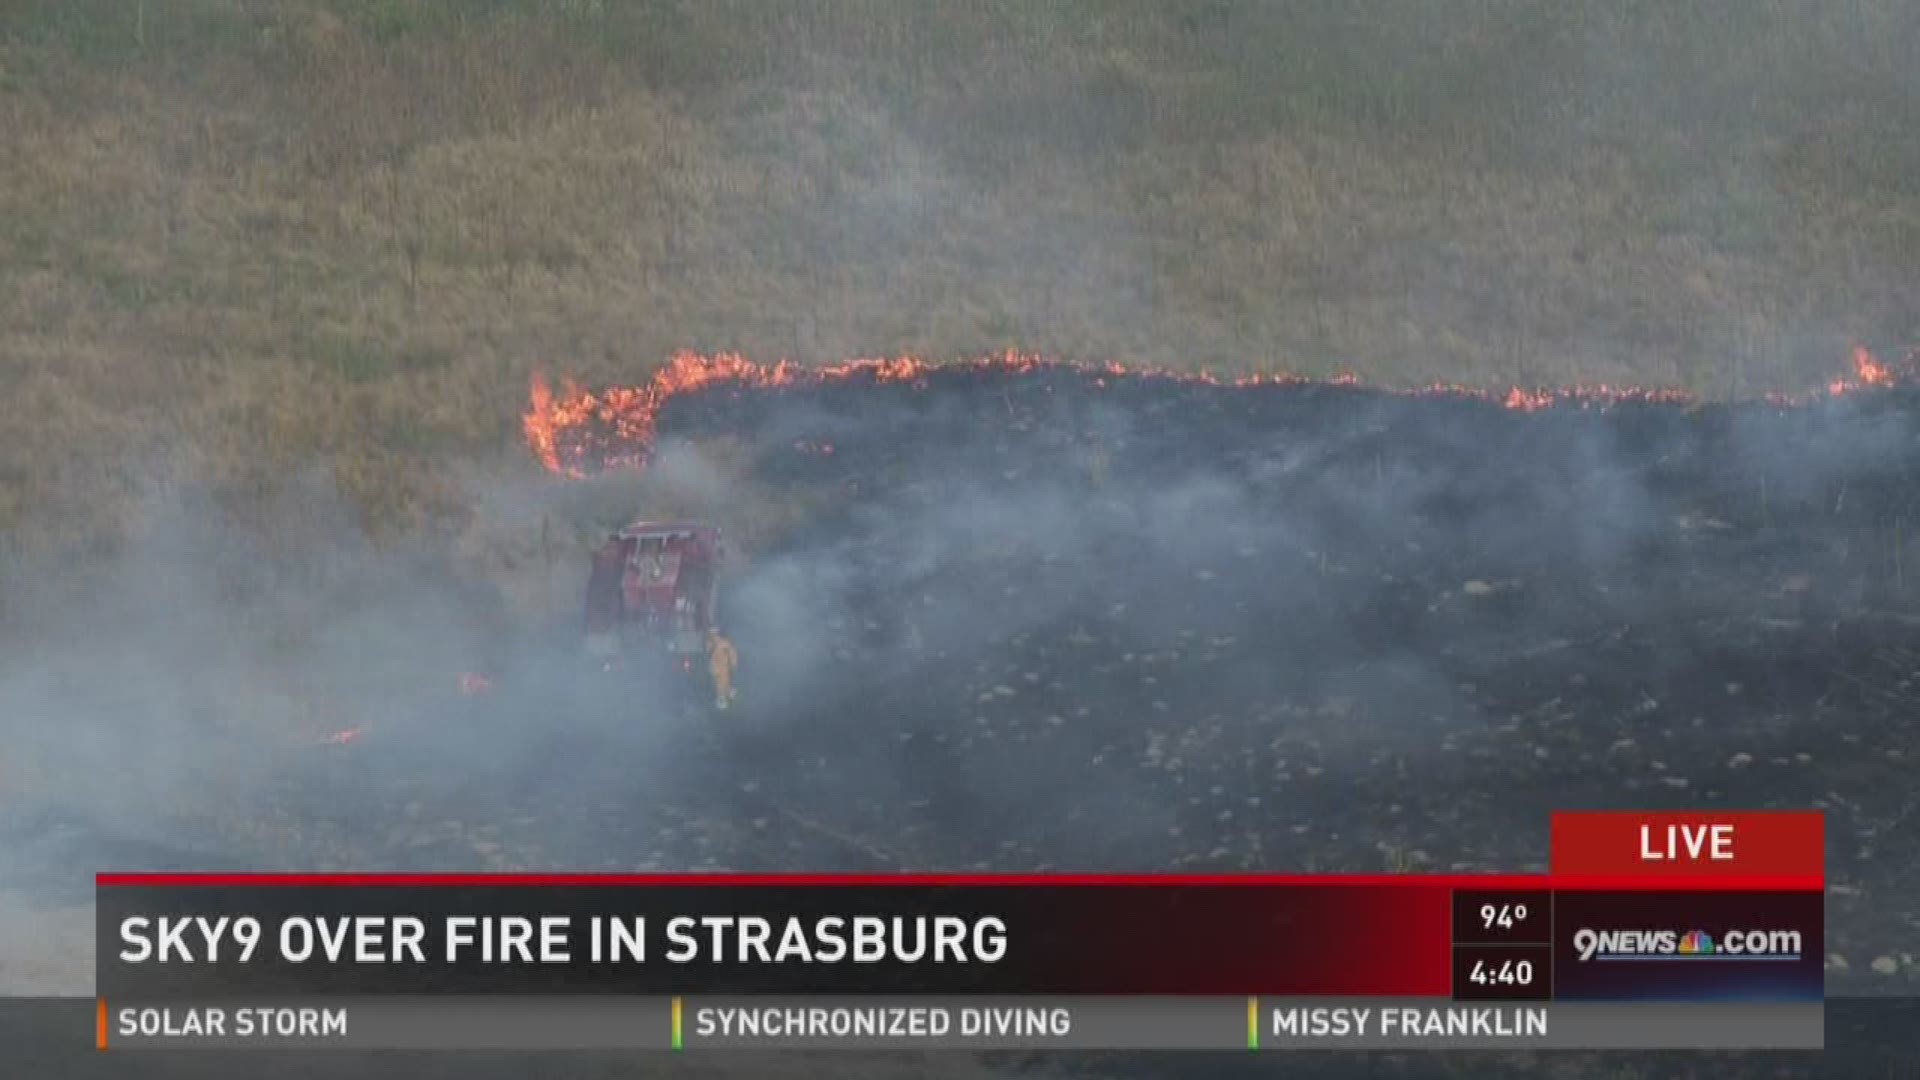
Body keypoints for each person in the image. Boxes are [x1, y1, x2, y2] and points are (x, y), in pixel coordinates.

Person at [705, 627, 738, 710]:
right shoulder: (722, 642)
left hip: (719, 667)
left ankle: (726, 694)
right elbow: (732, 653)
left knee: (721, 683)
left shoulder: (713, 642)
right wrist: (733, 664)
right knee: (722, 683)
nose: (712, 634)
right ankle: (726, 694)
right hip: (721, 667)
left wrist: (733, 663)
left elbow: (731, 653)